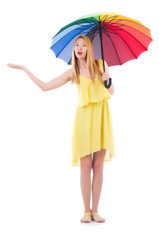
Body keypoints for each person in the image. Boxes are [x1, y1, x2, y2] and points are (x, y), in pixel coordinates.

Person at [7, 35, 115, 223]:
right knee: (85, 166)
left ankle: (95, 211)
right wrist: (25, 69)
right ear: (73, 50)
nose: (79, 48)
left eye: (83, 45)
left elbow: (111, 91)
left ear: (90, 48)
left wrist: (108, 78)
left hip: (101, 119)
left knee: (98, 166)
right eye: (76, 45)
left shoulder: (101, 64)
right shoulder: (72, 72)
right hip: (83, 121)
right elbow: (45, 87)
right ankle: (86, 211)